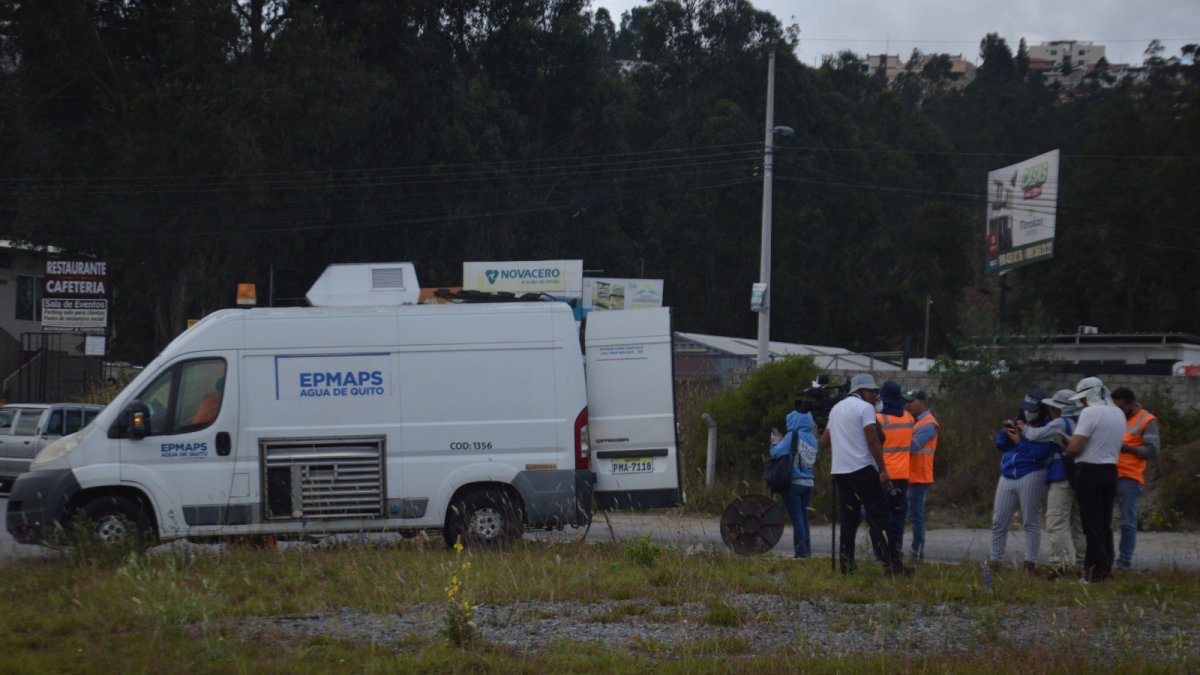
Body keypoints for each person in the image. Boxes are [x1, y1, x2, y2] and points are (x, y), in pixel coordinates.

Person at [819, 373, 912, 576]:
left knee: (848, 519)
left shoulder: (836, 409)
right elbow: (873, 440)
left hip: (840, 472)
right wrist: (884, 470)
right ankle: (894, 564)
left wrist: (844, 440)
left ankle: (847, 564)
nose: (875, 395)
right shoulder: (865, 408)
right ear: (861, 391)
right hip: (862, 469)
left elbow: (824, 442)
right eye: (872, 391)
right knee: (882, 517)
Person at [1066, 376, 1126, 582]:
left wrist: (1067, 445)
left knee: (1091, 526)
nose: (1082, 403)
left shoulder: (1090, 412)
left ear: (1088, 395)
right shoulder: (1118, 413)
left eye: (1082, 398)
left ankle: (1092, 574)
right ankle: (1106, 569)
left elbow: (1074, 448)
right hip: (1111, 471)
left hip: (1089, 470)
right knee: (1104, 524)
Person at [989, 389, 1055, 574]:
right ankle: (995, 560)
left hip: (1032, 473)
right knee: (998, 521)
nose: (1028, 412)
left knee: (1030, 521)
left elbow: (1038, 454)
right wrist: (1008, 431)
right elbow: (1001, 445)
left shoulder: (1048, 426)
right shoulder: (1016, 420)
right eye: (1026, 408)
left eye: (1032, 409)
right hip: (1008, 472)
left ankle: (1030, 563)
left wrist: (1019, 439)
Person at [1031, 389, 1086, 579]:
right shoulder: (1081, 423)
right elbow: (1002, 442)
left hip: (1061, 477)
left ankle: (1059, 565)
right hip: (1079, 478)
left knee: (1056, 522)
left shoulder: (1059, 423)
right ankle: (1083, 565)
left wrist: (1015, 427)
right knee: (1079, 525)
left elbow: (1031, 437)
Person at [1109, 387, 1160, 571]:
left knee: (1127, 522)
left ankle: (1123, 564)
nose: (1117, 411)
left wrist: (1127, 448)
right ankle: (1104, 561)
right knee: (1102, 520)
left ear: (1130, 404)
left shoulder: (1147, 420)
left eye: (1120, 407)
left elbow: (1153, 451)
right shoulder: (1114, 416)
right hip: (1108, 473)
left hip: (1129, 477)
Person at [867, 381, 913, 562]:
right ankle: (896, 552)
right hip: (902, 476)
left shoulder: (879, 420)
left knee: (876, 517)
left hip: (883, 476)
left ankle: (880, 552)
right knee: (898, 517)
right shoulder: (909, 418)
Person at [769, 409, 819, 558]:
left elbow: (776, 453)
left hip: (794, 482)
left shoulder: (792, 435)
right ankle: (806, 551)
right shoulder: (812, 438)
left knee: (797, 518)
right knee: (803, 517)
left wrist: (775, 442)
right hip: (809, 482)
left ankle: (801, 552)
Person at [904, 389, 939, 563]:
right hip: (911, 475)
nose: (908, 405)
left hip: (920, 477)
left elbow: (913, 446)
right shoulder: (917, 422)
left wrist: (897, 437)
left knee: (916, 518)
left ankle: (917, 554)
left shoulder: (929, 423)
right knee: (910, 516)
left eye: (912, 401)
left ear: (923, 402)